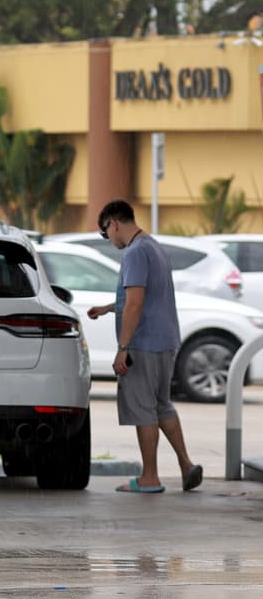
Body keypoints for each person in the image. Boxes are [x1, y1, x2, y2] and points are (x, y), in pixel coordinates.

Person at [87, 199, 203, 494]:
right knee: (161, 405)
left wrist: (122, 347)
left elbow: (136, 302)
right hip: (165, 342)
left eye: (105, 233)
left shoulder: (135, 253)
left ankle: (150, 477)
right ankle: (187, 465)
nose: (108, 239)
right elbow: (139, 298)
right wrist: (107, 308)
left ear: (113, 224)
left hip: (142, 344)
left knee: (142, 410)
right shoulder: (154, 247)